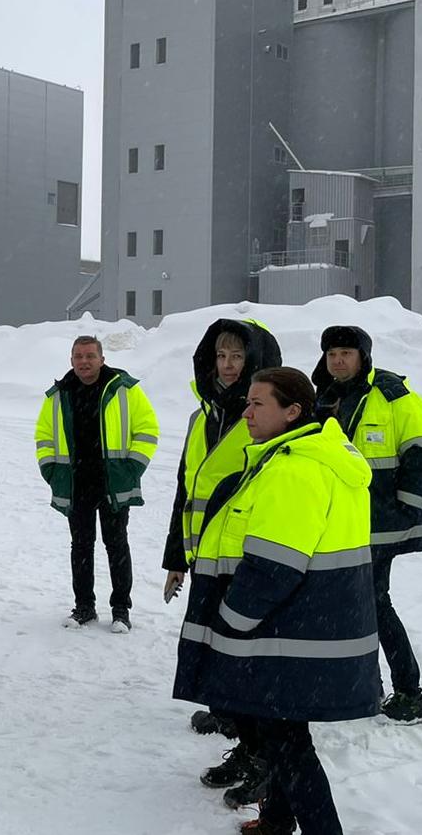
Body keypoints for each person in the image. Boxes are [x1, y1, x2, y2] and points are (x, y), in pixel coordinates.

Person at [173, 367, 380, 835]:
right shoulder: (310, 457)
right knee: (284, 735)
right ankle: (275, 823)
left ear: (293, 411)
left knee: (287, 743)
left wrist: (231, 618)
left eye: (258, 403)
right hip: (309, 630)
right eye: (247, 402)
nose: (246, 412)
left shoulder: (294, 470)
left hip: (289, 634)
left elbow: (274, 568)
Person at [160, 319, 282, 805]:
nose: (228, 366)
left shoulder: (266, 419)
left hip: (248, 561)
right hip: (206, 559)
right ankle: (248, 746)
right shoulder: (201, 417)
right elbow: (186, 489)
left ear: (254, 363)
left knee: (248, 666)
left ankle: (266, 759)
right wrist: (176, 558)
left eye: (237, 357)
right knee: (217, 662)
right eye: (221, 357)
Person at [312, 325, 422, 724]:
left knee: (373, 603)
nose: (338, 361)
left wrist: (405, 508)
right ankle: (373, 686)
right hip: (341, 524)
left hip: (380, 525)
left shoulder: (391, 395)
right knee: (356, 604)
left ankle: (408, 691)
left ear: (363, 357)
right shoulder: (326, 398)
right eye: (332, 354)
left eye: (346, 353)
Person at [35, 335, 159, 631]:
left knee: (116, 545)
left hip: (112, 483)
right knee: (80, 546)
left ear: (102, 359)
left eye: (90, 356)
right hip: (76, 483)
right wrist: (51, 471)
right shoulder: (58, 394)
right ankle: (84, 607)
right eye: (78, 356)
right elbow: (44, 437)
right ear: (71, 361)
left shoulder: (124, 391)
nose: (84, 362)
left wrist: (132, 470)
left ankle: (120, 610)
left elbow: (147, 430)